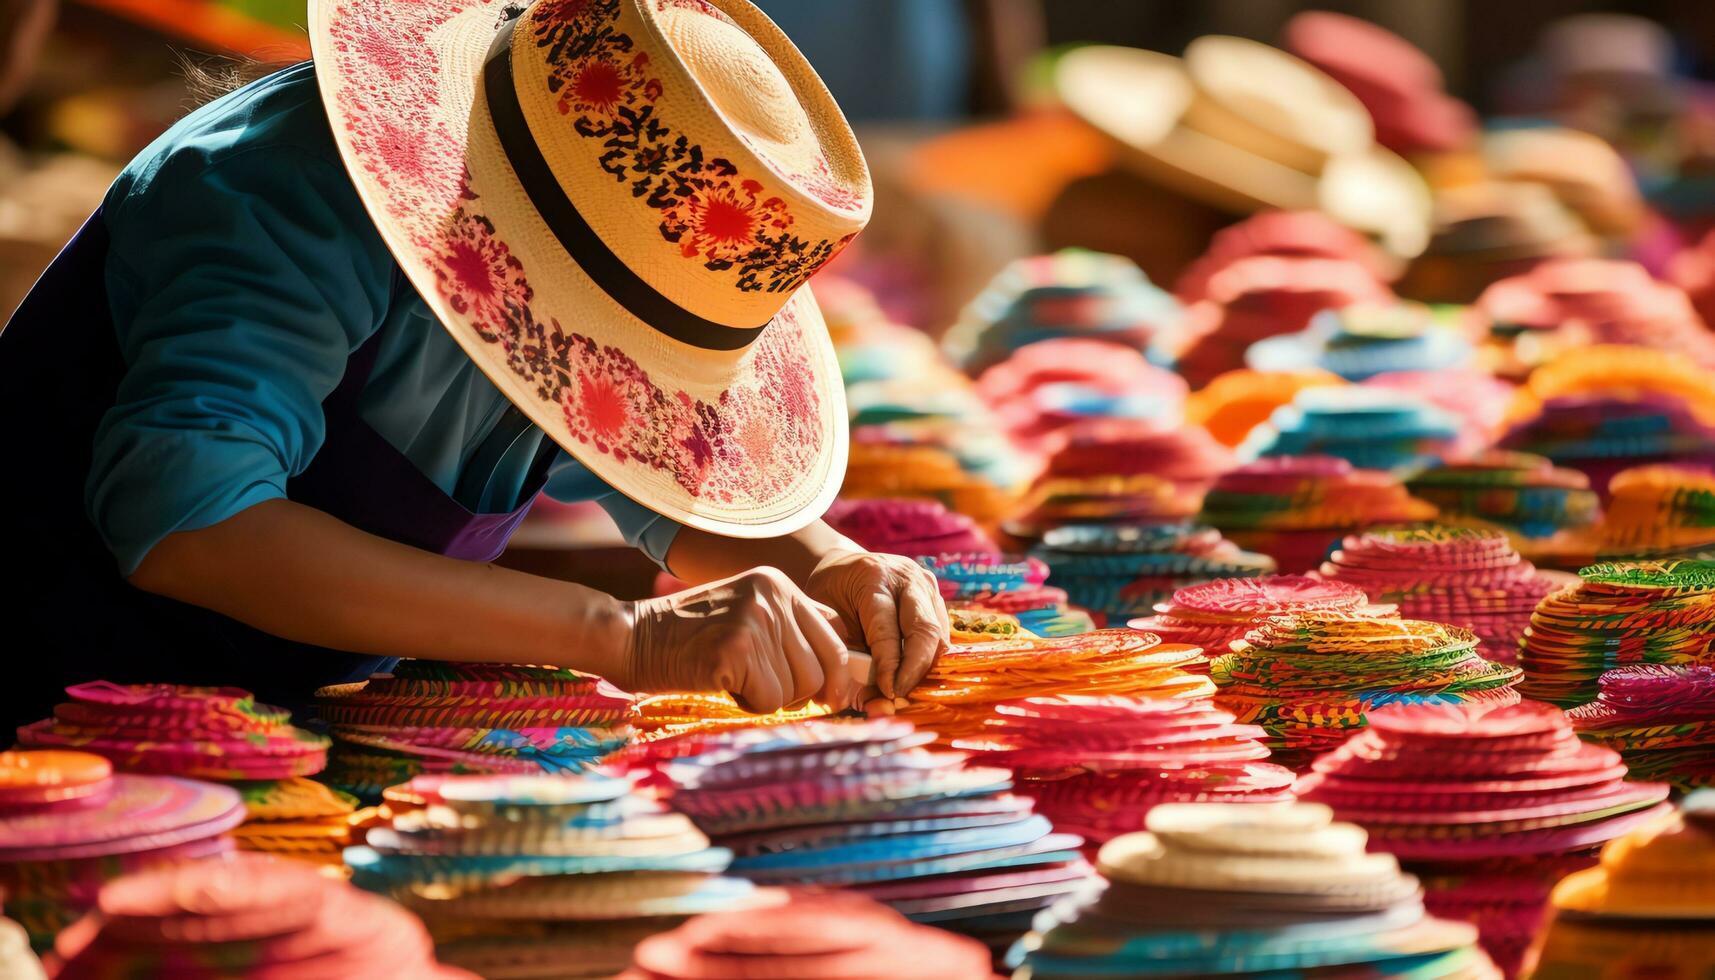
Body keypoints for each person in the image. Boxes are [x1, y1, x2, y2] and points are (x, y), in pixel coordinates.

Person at [0, 0, 949, 727]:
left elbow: (672, 484)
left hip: (285, 735)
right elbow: (189, 522)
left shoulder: (595, 273)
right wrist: (622, 635)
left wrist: (830, 562)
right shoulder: (284, 189)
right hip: (46, 718)